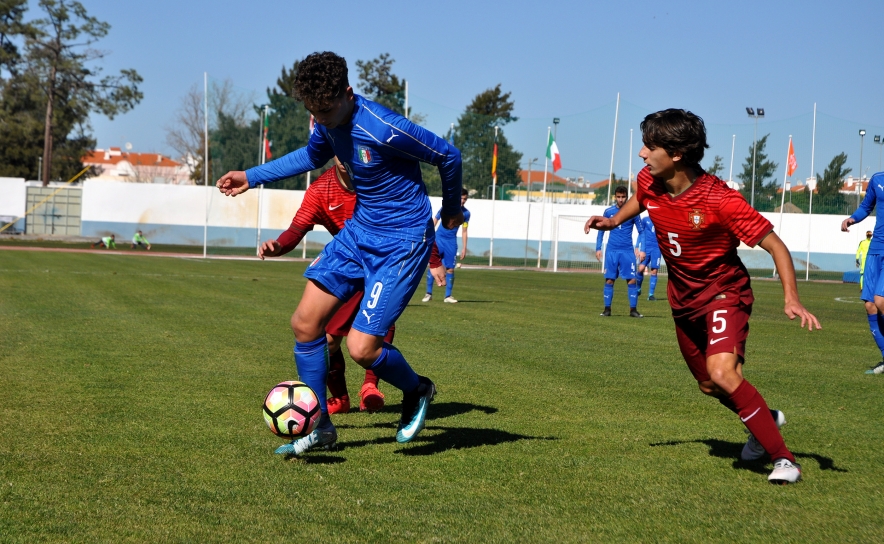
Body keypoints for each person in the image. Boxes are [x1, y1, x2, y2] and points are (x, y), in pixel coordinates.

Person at [216, 51, 462, 455]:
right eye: (315, 112)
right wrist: (251, 176)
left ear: (348, 93)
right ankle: (320, 427)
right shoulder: (327, 123)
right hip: (360, 232)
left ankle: (418, 389)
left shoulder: (383, 127)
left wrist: (450, 209)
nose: (322, 120)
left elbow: (447, 155)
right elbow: (311, 156)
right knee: (305, 323)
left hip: (402, 241)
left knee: (362, 348)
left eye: (327, 110)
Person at [585, 109, 820, 484]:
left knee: (722, 373)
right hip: (683, 302)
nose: (642, 154)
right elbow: (640, 199)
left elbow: (776, 246)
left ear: (677, 153)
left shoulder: (720, 200)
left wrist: (791, 298)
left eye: (650, 146)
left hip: (724, 294)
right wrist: (614, 221)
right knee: (709, 385)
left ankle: (785, 460)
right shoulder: (650, 180)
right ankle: (762, 420)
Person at [259, 158, 447, 414]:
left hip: (386, 264)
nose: (345, 157)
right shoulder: (320, 190)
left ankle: (371, 386)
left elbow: (413, 223)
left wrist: (434, 259)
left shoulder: (378, 180)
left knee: (366, 339)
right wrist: (278, 246)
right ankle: (337, 402)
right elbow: (297, 228)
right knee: (321, 336)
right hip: (348, 266)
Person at [842, 178, 884, 375]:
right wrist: (852, 218)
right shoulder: (877, 179)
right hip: (875, 250)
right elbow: (866, 206)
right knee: (870, 305)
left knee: (881, 300)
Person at [593, 185, 644, 317]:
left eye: (623, 197)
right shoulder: (608, 212)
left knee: (632, 280)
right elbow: (601, 230)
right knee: (609, 280)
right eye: (618, 197)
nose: (621, 199)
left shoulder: (633, 213)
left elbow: (641, 232)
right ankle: (607, 309)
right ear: (615, 197)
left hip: (627, 251)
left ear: (627, 197)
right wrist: (598, 248)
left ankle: (633, 310)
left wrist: (640, 248)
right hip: (612, 250)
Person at [423, 188, 470, 303]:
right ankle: (428, 293)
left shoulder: (466, 213)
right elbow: (435, 220)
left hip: (451, 242)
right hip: (439, 239)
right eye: (461, 198)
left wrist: (464, 247)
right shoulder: (446, 207)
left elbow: (464, 231)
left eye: (465, 199)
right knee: (433, 264)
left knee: (450, 268)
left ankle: (448, 296)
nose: (463, 201)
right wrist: (428, 235)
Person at [635, 213, 662, 301]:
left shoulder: (661, 220)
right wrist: (637, 246)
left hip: (657, 249)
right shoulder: (645, 219)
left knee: (654, 271)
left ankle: (651, 295)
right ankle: (638, 288)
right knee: (640, 269)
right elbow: (641, 233)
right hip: (646, 248)